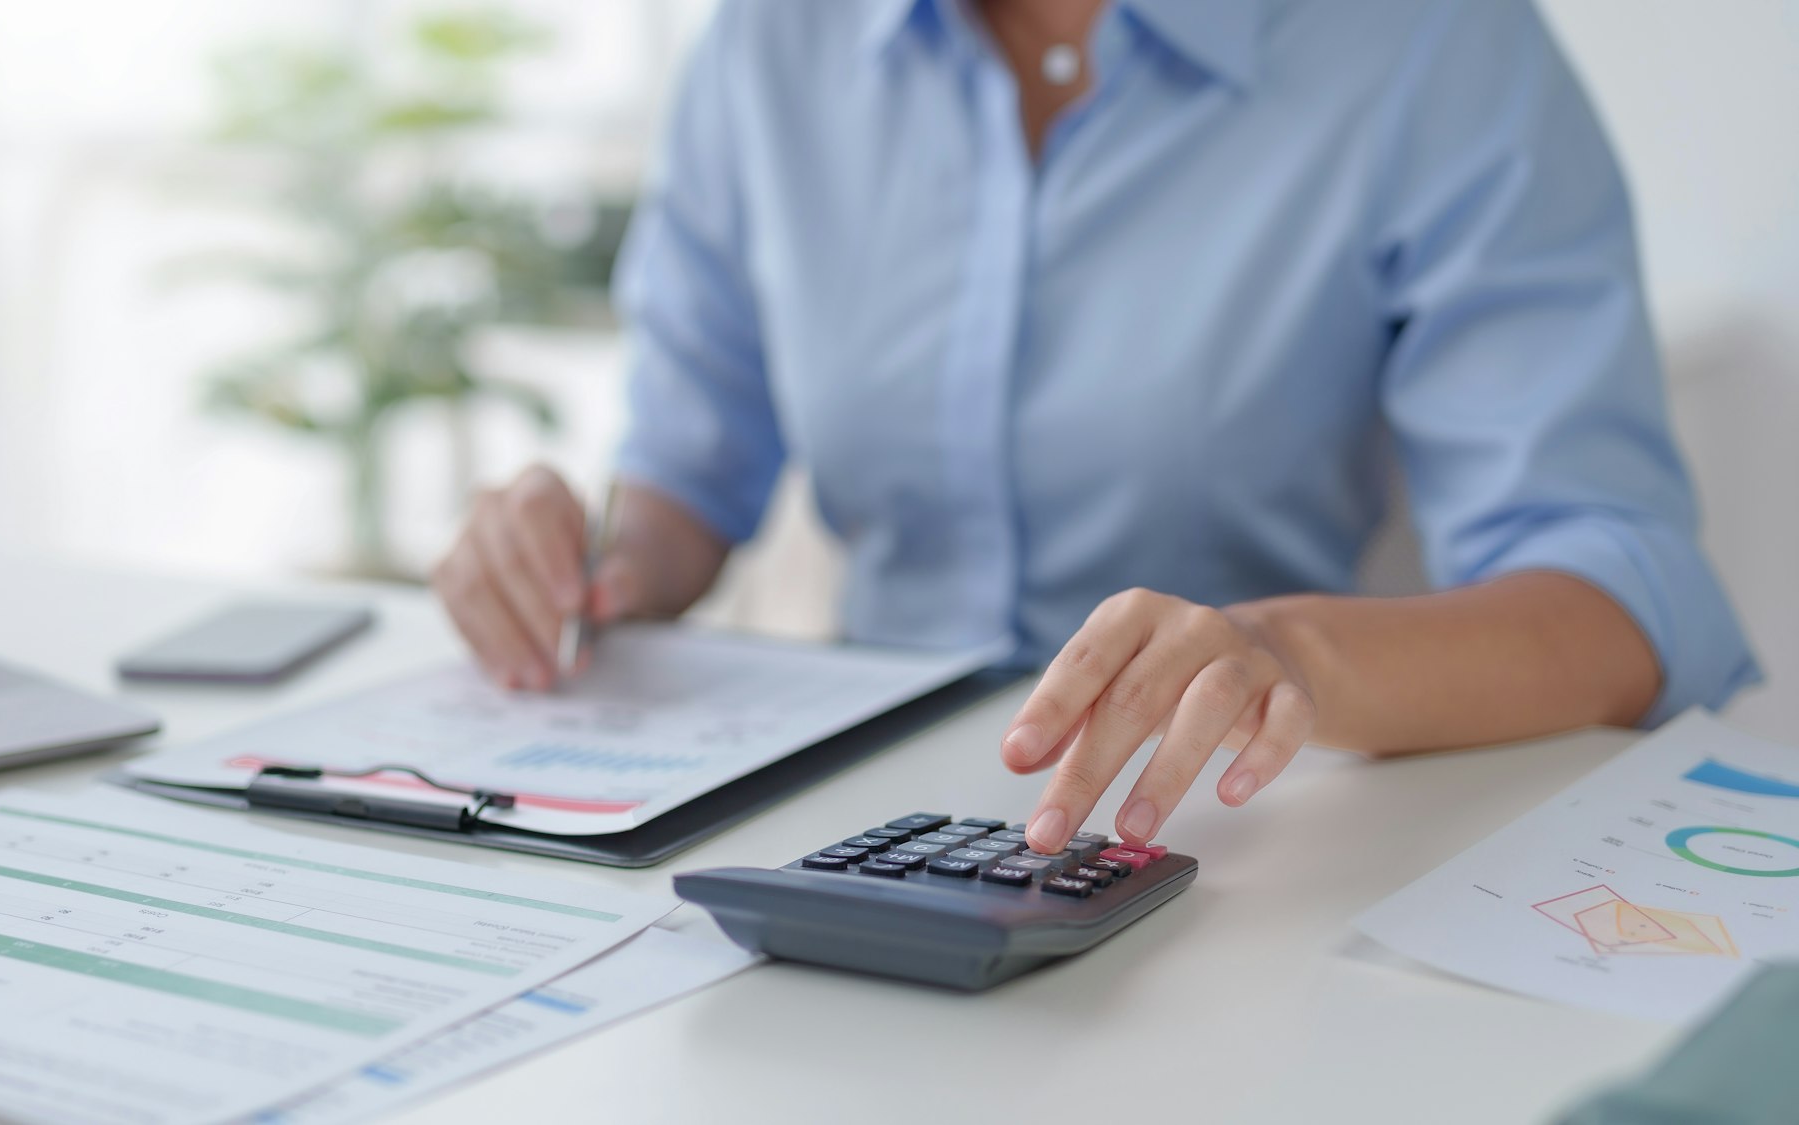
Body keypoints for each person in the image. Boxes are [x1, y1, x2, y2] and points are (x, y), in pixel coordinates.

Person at [434, 0, 1759, 856]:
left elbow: (1629, 601)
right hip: (844, 840)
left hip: (1232, 844)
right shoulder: (769, 45)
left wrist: (1276, 650)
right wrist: (580, 566)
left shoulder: (1430, 47)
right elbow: (687, 474)